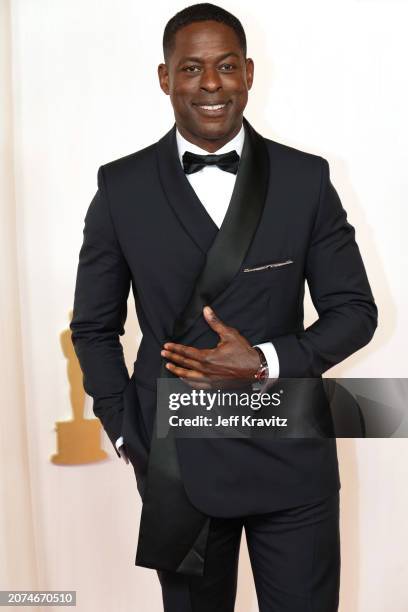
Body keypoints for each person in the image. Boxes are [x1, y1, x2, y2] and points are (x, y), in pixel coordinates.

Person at [70, 3, 378, 610]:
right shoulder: (120, 187)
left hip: (291, 453)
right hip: (177, 461)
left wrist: (265, 359)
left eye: (226, 67)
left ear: (249, 73)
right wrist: (129, 433)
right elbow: (93, 327)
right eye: (191, 69)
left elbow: (354, 311)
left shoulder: (305, 179)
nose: (211, 85)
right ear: (165, 78)